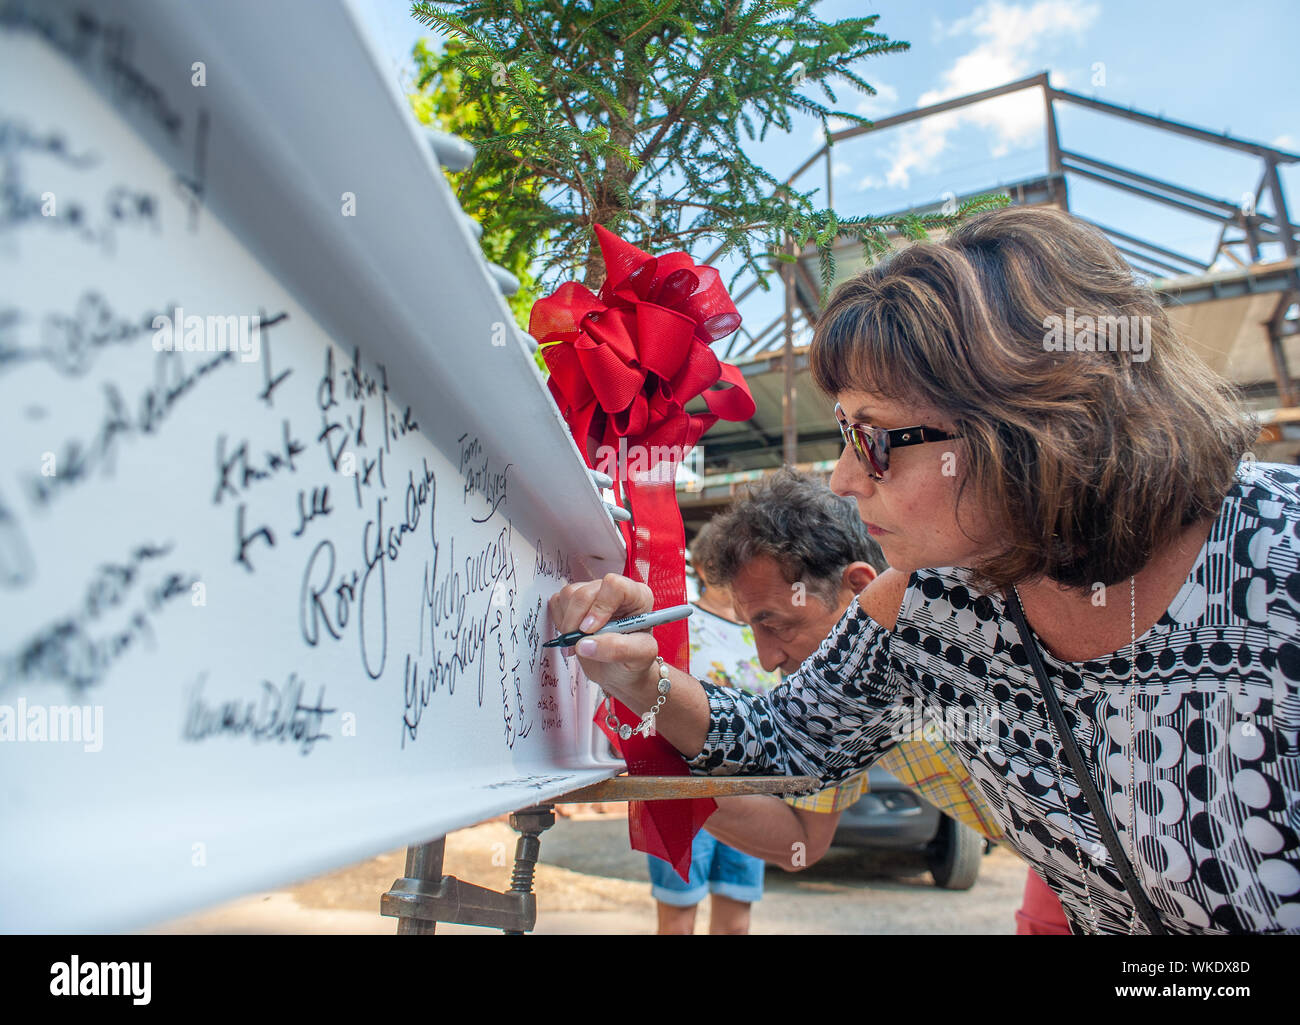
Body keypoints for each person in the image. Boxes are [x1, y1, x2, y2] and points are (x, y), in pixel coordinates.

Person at [551, 206, 1300, 935]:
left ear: (1028, 423)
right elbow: (783, 741)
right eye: (845, 433)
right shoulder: (927, 602)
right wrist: (639, 674)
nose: (843, 478)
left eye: (873, 439)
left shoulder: (1279, 554)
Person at [645, 521, 782, 935]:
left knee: (737, 920)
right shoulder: (676, 621)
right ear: (704, 567)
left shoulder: (765, 629)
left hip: (749, 791)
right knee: (678, 916)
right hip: (682, 788)